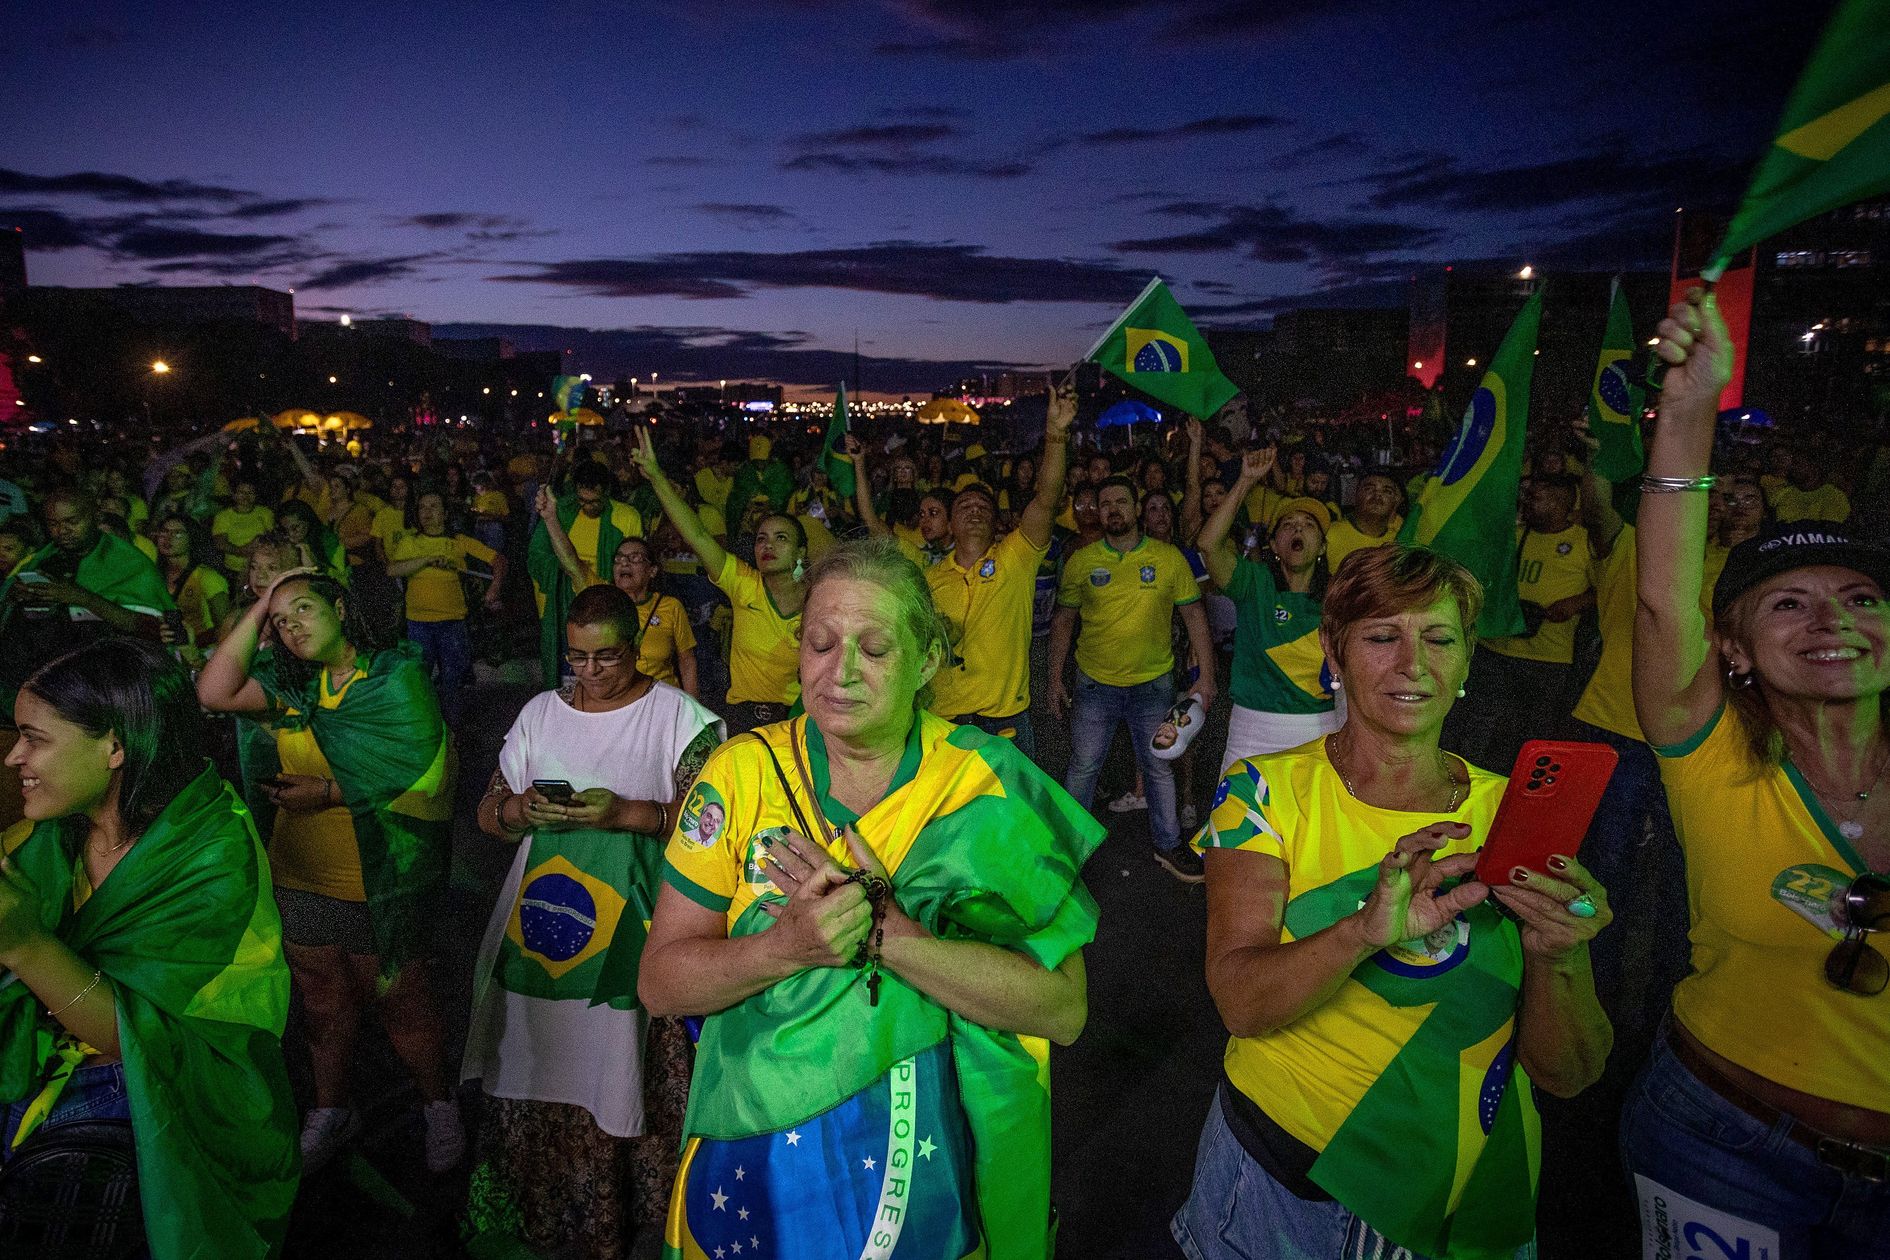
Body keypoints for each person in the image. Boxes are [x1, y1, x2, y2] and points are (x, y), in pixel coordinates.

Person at [639, 536, 1105, 1260]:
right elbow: (661, 983)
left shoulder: (986, 786)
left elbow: (1062, 1011)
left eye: (876, 649)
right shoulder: (739, 776)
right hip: (760, 1156)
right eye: (820, 643)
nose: (840, 673)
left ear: (926, 661)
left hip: (925, 1165)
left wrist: (889, 935)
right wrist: (781, 948)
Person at [1174, 544, 1613, 1260]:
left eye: (1439, 638)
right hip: (1285, 1189)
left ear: (1469, 658)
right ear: (1334, 652)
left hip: (1464, 1193)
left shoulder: (1516, 815)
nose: (1414, 664)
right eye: (1383, 637)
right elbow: (1241, 1004)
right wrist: (1363, 932)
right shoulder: (1262, 792)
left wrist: (1560, 956)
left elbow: (1569, 1074)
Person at [1625, 287, 1890, 1253]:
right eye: (1788, 605)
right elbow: (1660, 603)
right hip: (1718, 1146)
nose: (1832, 620)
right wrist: (1692, 409)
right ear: (1732, 650)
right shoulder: (1711, 754)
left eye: (1862, 597)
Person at [1, 639, 298, 1257]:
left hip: (170, 1110)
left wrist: (27, 947)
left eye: (35, 738)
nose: (13, 757)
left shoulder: (211, 854)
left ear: (113, 746)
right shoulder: (53, 837)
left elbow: (151, 1039)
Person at [464, 585, 723, 1258]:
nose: (590, 673)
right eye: (577, 658)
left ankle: (636, 1225)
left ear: (636, 647)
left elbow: (715, 835)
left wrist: (627, 815)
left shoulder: (682, 720)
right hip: (545, 934)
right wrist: (519, 812)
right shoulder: (540, 716)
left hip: (638, 933)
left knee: (625, 1068)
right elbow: (489, 812)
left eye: (606, 657)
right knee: (541, 1060)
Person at [196, 569, 462, 1174]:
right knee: (322, 1004)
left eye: (305, 610)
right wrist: (263, 600)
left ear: (340, 606)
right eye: (280, 621)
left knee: (402, 1004)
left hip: (383, 879)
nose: (292, 628)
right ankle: (332, 1108)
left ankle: (439, 1104)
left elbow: (426, 768)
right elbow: (213, 691)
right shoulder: (295, 686)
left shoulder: (395, 676)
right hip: (302, 873)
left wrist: (332, 793)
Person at [1051, 475, 1216, 882]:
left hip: (1153, 684)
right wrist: (1054, 677)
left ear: (1136, 507)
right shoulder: (1082, 560)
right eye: (1105, 503)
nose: (1112, 510)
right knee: (1084, 767)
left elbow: (1194, 614)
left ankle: (1169, 845)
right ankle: (1068, 853)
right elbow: (1063, 620)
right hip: (1094, 685)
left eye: (1121, 502)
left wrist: (1206, 677)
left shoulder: (1168, 557)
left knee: (1159, 767)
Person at [919, 383, 1072, 754]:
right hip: (944, 722)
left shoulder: (1015, 558)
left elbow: (1048, 497)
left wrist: (1056, 435)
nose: (974, 510)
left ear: (996, 521)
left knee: (1011, 813)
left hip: (1006, 724)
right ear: (950, 525)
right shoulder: (928, 580)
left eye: (983, 507)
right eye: (964, 507)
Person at [634, 428, 805, 734]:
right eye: (762, 538)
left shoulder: (817, 601)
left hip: (797, 721)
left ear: (800, 552)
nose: (768, 545)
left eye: (781, 538)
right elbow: (697, 535)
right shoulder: (743, 583)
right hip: (744, 721)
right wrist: (656, 477)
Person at [1201, 448, 1341, 768]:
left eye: (1308, 524)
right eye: (1287, 524)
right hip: (1252, 730)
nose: (1297, 529)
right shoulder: (1255, 583)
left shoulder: (1339, 595)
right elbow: (1208, 544)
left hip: (1319, 728)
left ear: (1321, 546)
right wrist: (1245, 481)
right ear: (1275, 545)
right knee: (1237, 818)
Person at [1446, 474, 1594, 773]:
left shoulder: (1583, 541)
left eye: (1538, 497)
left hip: (1547, 657)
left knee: (1533, 731)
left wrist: (1574, 603)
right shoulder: (1512, 536)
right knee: (1481, 725)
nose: (1528, 502)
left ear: (1563, 501)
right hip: (1495, 649)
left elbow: (1605, 589)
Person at [534, 486, 702, 699]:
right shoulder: (602, 597)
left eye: (635, 559)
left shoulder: (670, 606)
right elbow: (571, 562)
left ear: (652, 571)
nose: (625, 563)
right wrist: (550, 518)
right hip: (615, 703)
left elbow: (686, 660)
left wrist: (694, 707)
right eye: (619, 559)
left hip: (661, 703)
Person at [386, 487, 506, 725]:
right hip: (418, 622)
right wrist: (428, 560)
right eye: (422, 507)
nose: (427, 512)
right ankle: (424, 726)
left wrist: (494, 589)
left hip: (452, 622)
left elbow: (498, 561)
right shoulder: (410, 542)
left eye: (433, 506)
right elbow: (393, 569)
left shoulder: (458, 542)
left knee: (453, 679)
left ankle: (452, 728)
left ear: (445, 513)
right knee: (420, 678)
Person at [527, 461, 644, 685]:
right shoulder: (561, 511)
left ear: (606, 491)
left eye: (594, 502)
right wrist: (561, 572)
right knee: (568, 675)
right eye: (582, 501)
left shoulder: (626, 517)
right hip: (563, 603)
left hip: (606, 606)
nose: (588, 507)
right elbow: (536, 555)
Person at [152, 512, 230, 668]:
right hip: (167, 652)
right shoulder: (153, 575)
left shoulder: (207, 577)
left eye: (178, 533)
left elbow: (226, 627)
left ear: (191, 538)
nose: (168, 537)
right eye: (164, 531)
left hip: (203, 654)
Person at [1324, 470, 1404, 573]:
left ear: (1396, 501)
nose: (1377, 495)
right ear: (1355, 495)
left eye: (1387, 491)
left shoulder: (1399, 542)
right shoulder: (1329, 534)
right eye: (1369, 489)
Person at [212, 479, 275, 576]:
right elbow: (220, 542)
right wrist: (241, 551)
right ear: (234, 494)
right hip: (234, 568)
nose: (246, 496)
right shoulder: (223, 516)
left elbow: (272, 537)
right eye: (242, 492)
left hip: (260, 567)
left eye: (250, 493)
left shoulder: (265, 513)